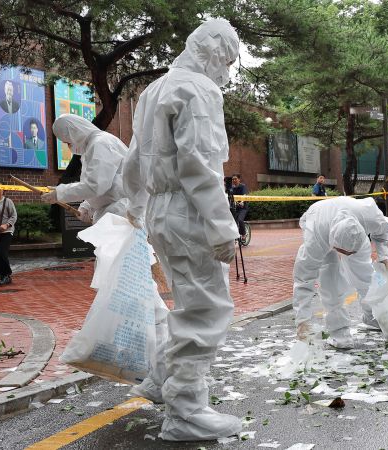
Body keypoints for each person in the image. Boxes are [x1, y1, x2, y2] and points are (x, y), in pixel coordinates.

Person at [122, 19, 242, 441]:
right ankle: (186, 410)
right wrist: (222, 227)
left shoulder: (153, 90)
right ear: (213, 52)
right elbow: (200, 163)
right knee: (204, 308)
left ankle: (160, 380)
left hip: (160, 209)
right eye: (226, 59)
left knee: (185, 300)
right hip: (188, 211)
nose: (226, 70)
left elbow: (135, 159)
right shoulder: (199, 90)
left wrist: (135, 207)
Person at [294, 197, 388, 349]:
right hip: (320, 222)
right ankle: (339, 332)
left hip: (352, 228)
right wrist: (302, 321)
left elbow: (384, 231)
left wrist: (385, 256)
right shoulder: (316, 238)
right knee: (330, 280)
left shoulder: (369, 215)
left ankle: (372, 315)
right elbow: (303, 280)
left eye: (349, 252)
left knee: (365, 274)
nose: (345, 256)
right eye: (342, 252)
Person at [40, 114, 128, 224]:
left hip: (122, 213)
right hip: (115, 213)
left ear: (74, 133)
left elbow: (95, 186)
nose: (69, 147)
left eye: (67, 142)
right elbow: (100, 186)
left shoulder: (100, 143)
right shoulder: (92, 147)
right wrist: (87, 207)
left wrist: (60, 193)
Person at [228, 174, 248, 239]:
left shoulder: (243, 186)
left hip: (242, 208)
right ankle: (235, 236)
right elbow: (230, 197)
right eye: (233, 179)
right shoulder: (231, 188)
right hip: (234, 208)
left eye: (235, 179)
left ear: (239, 179)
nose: (234, 180)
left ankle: (243, 234)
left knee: (240, 220)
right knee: (232, 222)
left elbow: (244, 195)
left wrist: (242, 202)